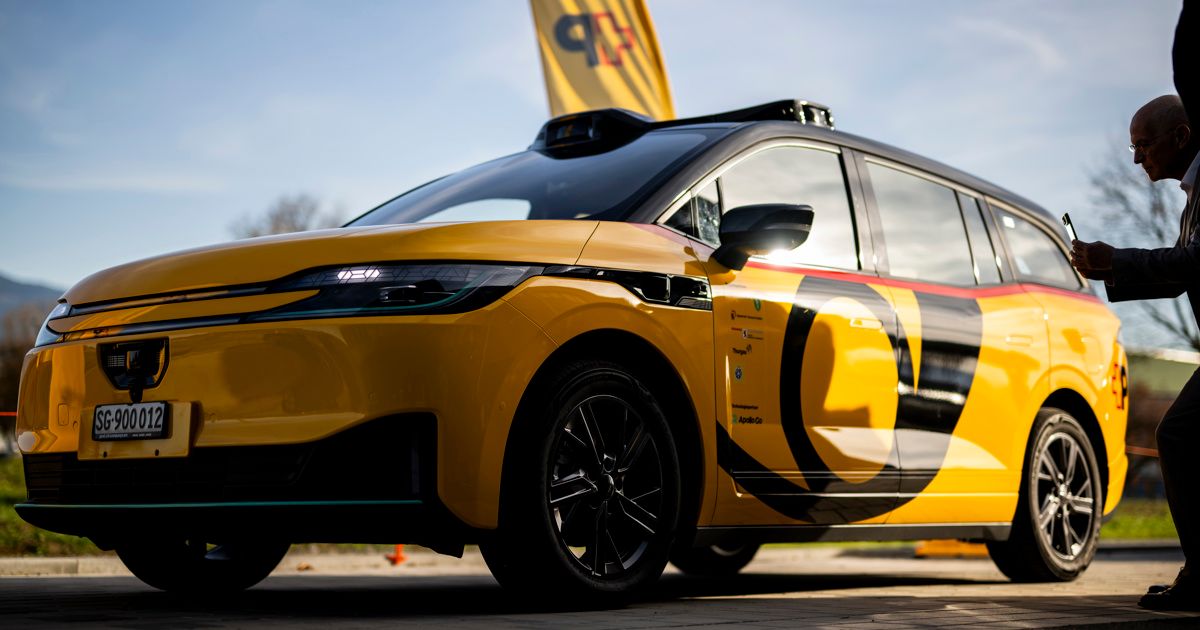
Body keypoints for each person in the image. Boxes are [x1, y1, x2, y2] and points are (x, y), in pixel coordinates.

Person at [1070, 2, 1200, 612]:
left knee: (1182, 434)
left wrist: (1114, 261)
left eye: (1144, 144)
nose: (1138, 157)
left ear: (1181, 136)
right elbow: (1182, 273)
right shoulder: (1193, 194)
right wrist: (1109, 266)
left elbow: (1196, 265)